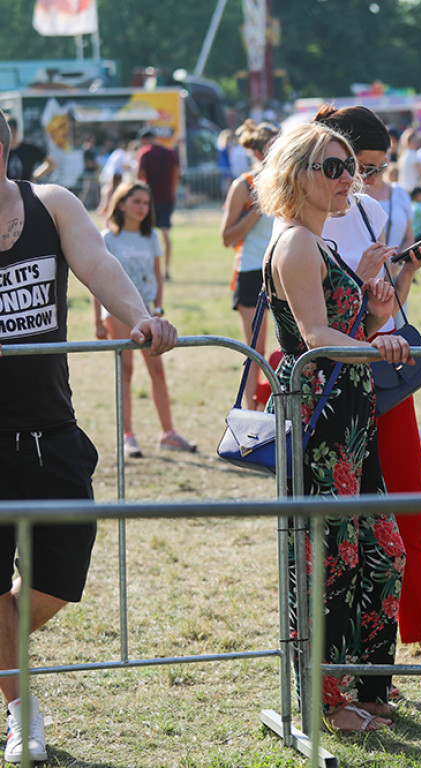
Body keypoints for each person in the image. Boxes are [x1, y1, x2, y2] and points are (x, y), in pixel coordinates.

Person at [0, 107, 177, 762]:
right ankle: (25, 715)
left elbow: (100, 267)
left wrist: (141, 316)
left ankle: (5, 666)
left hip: (52, 431)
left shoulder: (50, 205)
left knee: (58, 581)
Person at [310, 105, 421, 694]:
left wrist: (404, 273)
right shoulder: (307, 220)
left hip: (385, 372)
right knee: (355, 533)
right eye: (355, 167)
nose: (364, 181)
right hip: (343, 384)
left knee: (408, 514)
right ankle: (380, 666)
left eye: (377, 167)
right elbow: (320, 319)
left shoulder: (371, 209)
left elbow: (385, 303)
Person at [254, 120, 410, 733]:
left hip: (348, 417)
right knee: (331, 559)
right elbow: (316, 339)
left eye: (355, 168)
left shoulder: (317, 244)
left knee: (380, 552)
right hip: (321, 427)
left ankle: (368, 687)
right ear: (298, 176)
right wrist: (379, 345)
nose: (351, 179)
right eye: (335, 168)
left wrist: (373, 315)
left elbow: (338, 329)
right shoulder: (293, 242)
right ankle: (327, 701)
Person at [92, 181, 195, 458]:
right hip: (116, 311)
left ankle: (168, 433)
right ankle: (128, 435)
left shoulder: (150, 237)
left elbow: (158, 275)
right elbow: (97, 279)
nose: (142, 208)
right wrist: (98, 321)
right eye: (137, 201)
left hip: (147, 310)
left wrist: (158, 308)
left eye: (146, 203)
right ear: (122, 204)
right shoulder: (108, 238)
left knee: (157, 370)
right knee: (125, 370)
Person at [219, 119, 280, 410]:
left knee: (294, 344)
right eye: (272, 147)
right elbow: (227, 237)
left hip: (285, 269)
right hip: (251, 271)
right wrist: (257, 208)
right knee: (255, 347)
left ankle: (284, 406)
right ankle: (252, 411)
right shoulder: (243, 185)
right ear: (258, 152)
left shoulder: (289, 181)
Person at [135, 129, 180, 281]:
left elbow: (139, 176)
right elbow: (176, 175)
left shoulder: (144, 153)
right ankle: (166, 270)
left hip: (148, 199)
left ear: (144, 140)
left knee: (146, 234)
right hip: (167, 198)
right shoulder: (170, 153)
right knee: (165, 235)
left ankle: (149, 269)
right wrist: (172, 192)